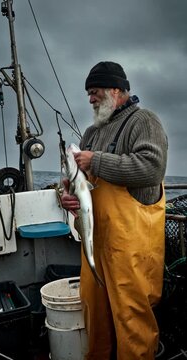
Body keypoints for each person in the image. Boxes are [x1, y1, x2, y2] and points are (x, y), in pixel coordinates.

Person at [61, 61, 168, 360]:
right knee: (95, 316)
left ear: (116, 90)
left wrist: (96, 161)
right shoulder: (91, 133)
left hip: (130, 248)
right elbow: (72, 180)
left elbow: (151, 168)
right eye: (88, 94)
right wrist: (65, 195)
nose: (90, 99)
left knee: (131, 320)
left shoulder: (144, 121)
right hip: (95, 244)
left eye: (94, 92)